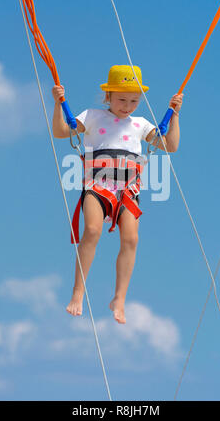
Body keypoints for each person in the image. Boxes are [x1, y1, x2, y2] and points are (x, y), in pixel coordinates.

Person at [52, 65, 183, 324]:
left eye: (134, 101)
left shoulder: (140, 124)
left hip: (127, 190)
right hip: (97, 185)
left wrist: (175, 115)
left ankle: (119, 298)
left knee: (131, 239)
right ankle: (78, 292)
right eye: (122, 99)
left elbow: (171, 146)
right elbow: (61, 132)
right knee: (91, 230)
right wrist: (59, 104)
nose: (127, 106)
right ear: (108, 96)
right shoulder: (92, 116)